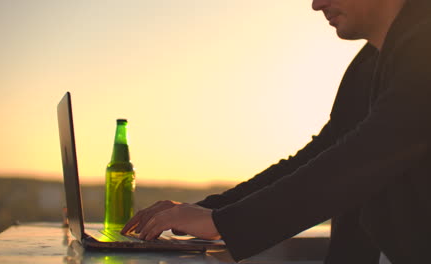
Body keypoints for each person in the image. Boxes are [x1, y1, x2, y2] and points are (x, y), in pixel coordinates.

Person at [122, 0, 431, 262]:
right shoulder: (367, 66)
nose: (316, 4)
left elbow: (365, 157)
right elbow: (317, 157)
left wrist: (224, 223)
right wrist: (207, 211)